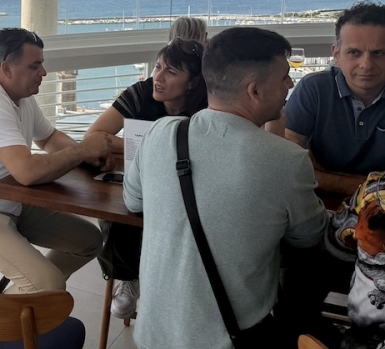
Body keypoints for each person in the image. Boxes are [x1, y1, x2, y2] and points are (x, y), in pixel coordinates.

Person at [124, 27, 328, 349]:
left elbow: (133, 200)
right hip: (230, 340)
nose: (290, 85)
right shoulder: (287, 160)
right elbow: (309, 235)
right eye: (284, 77)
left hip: (153, 334)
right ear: (255, 91)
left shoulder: (160, 133)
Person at [0, 28, 113, 293]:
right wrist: (83, 151)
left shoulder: (19, 97)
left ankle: (25, 298)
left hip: (6, 203)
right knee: (49, 284)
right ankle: (21, 305)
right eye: (34, 66)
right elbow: (27, 172)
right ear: (7, 68)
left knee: (89, 240)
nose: (43, 72)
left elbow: (49, 138)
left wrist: (89, 156)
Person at [85, 37, 208, 320]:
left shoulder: (206, 105)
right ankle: (127, 276)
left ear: (192, 82)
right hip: (141, 178)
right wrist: (153, 144)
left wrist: (134, 141)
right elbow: (94, 137)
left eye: (171, 72)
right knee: (120, 209)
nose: (158, 78)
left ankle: (171, 284)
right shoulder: (141, 93)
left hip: (188, 183)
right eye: (158, 67)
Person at [285, 1, 385, 196]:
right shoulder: (313, 89)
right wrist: (369, 188)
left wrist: (322, 176)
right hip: (318, 203)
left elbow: (306, 173)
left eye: (378, 53)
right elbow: (290, 166)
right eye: (354, 53)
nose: (366, 64)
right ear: (337, 55)